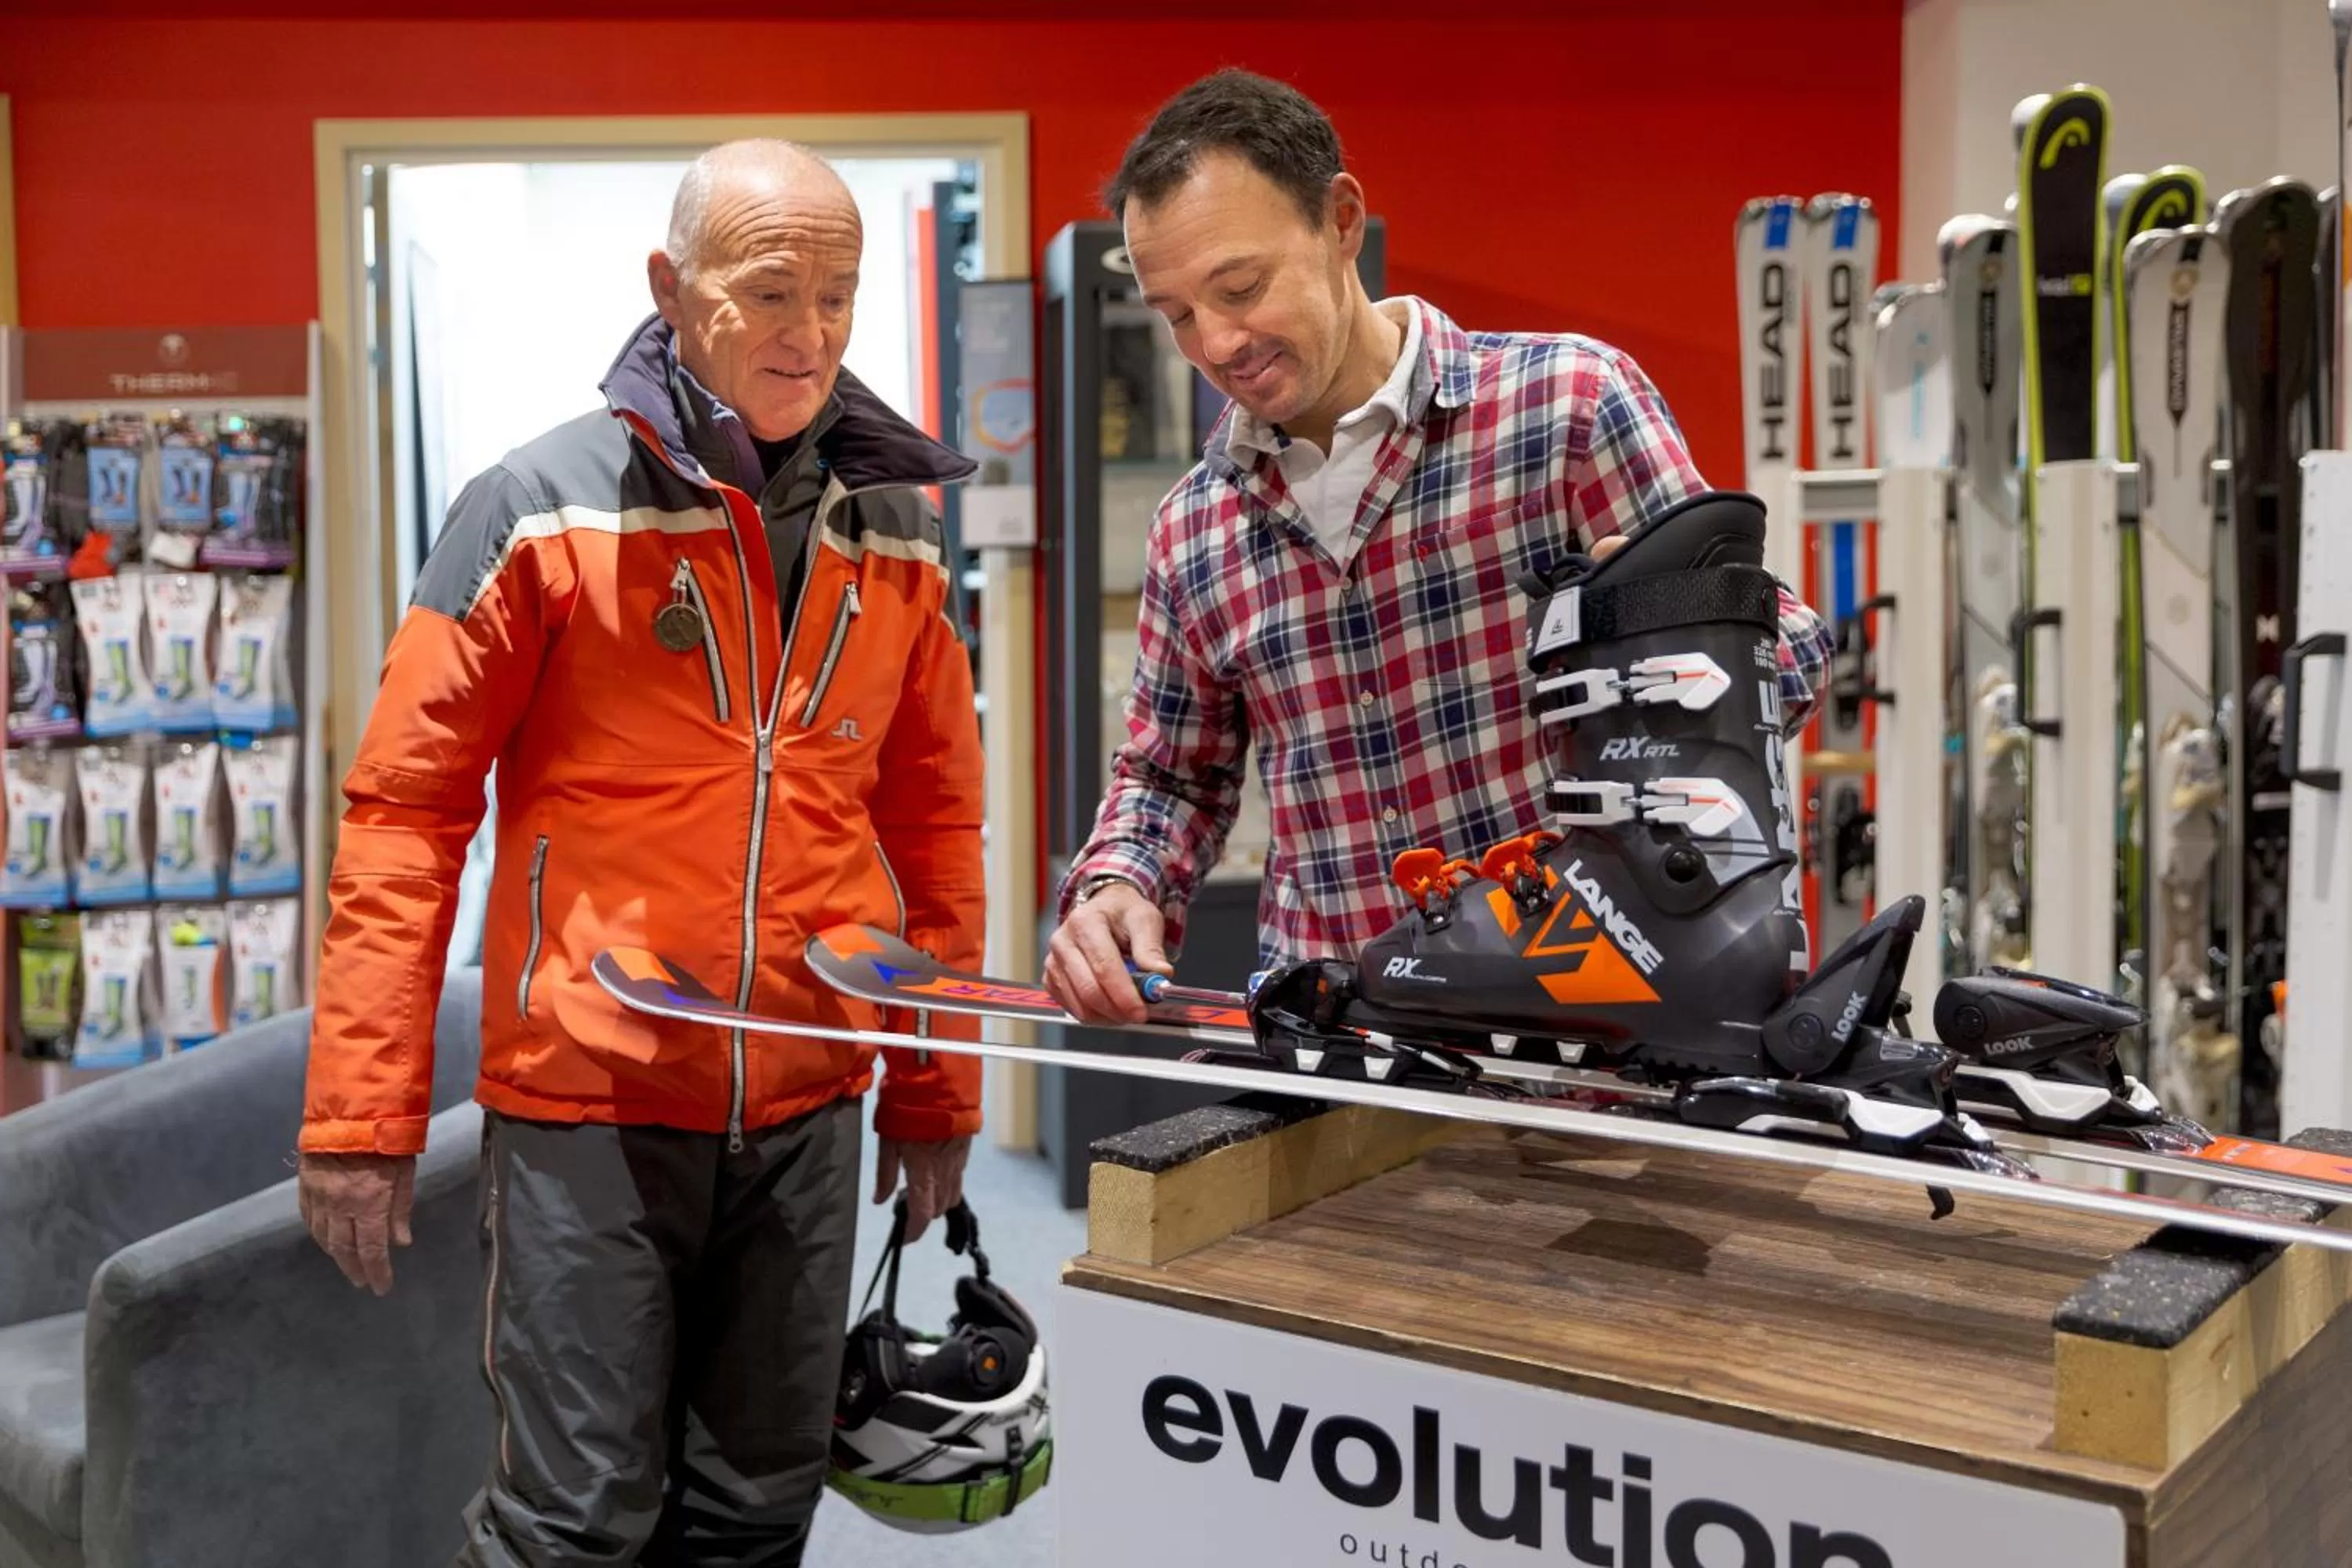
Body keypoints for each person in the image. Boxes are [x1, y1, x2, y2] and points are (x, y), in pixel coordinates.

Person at [294, 140, 989, 1566]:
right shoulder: (534, 509)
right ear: (672, 289)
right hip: (590, 1109)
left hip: (808, 1096)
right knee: (575, 1523)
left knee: (755, 1512)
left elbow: (933, 831)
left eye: (841, 297)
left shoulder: (898, 534)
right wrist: (361, 1120)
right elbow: (406, 812)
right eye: (771, 290)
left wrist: (933, 1083)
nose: (810, 334)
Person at [1044, 70, 1836, 1023]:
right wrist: (1119, 885)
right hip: (1346, 1039)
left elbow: (1786, 648)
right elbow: (1172, 774)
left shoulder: (1569, 408)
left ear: (1341, 221)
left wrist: (1672, 652)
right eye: (1174, 315)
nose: (1216, 342)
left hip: (1592, 1035)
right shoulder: (1194, 525)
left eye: (1240, 287)